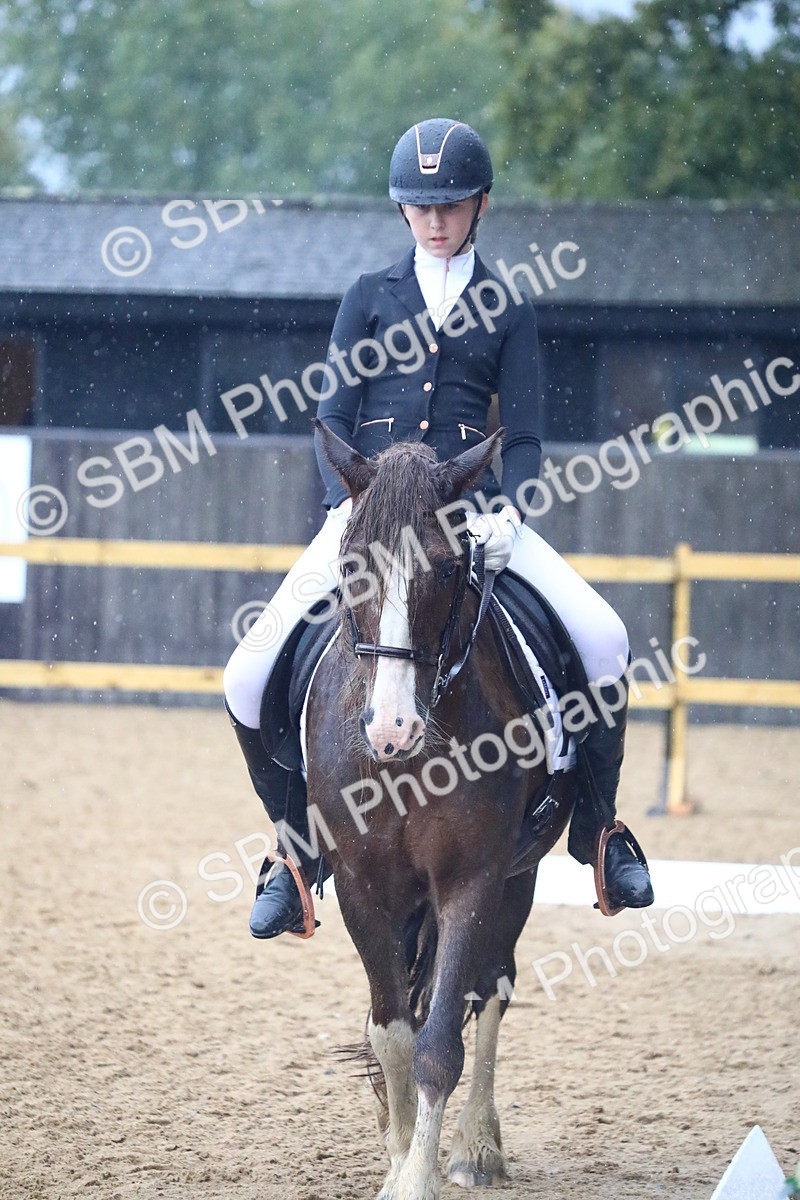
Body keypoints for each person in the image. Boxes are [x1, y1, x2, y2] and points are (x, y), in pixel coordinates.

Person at [223, 117, 654, 940]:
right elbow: (332, 416)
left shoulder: (508, 306)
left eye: (450, 205)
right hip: (370, 517)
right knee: (245, 677)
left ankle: (602, 833)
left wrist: (513, 509)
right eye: (420, 207)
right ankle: (293, 854)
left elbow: (523, 434)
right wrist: (345, 502)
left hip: (472, 514)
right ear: (402, 211)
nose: (434, 220)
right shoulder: (367, 296)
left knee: (606, 638)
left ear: (480, 204)